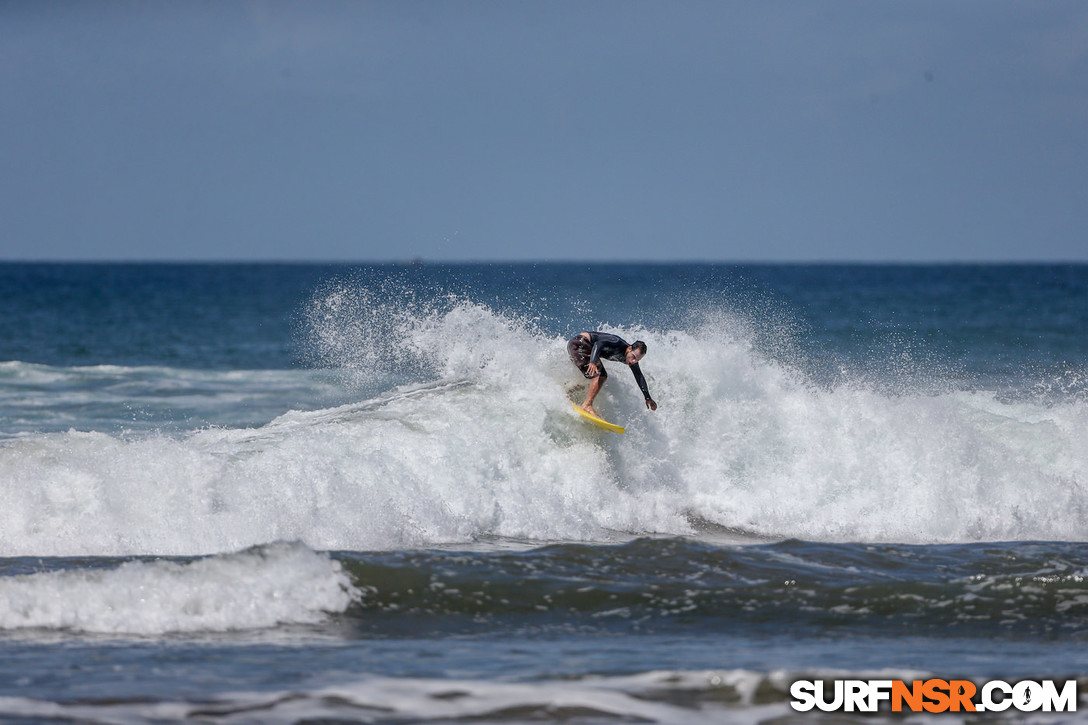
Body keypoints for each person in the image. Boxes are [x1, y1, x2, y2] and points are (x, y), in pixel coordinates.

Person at [567, 331, 658, 417]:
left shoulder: (631, 360)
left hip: (582, 347)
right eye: (634, 357)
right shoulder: (617, 343)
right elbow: (598, 344)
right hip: (579, 343)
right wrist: (593, 361)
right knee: (601, 375)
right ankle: (587, 405)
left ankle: (569, 393)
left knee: (592, 380)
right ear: (629, 348)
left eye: (637, 360)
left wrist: (647, 398)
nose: (633, 361)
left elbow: (639, 376)